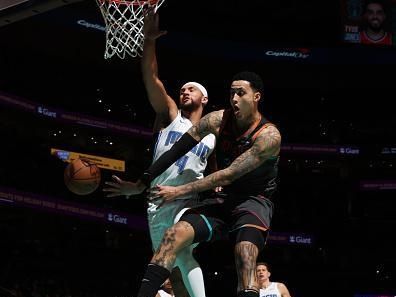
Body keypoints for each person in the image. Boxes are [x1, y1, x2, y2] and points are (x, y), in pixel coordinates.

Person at [106, 70, 281, 297]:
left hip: (253, 203)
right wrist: (142, 182)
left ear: (256, 97)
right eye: (231, 93)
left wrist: (178, 190)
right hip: (224, 200)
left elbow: (227, 175)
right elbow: (175, 151)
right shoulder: (217, 120)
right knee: (172, 235)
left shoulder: (269, 137)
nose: (234, 99)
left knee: (245, 255)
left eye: (241, 93)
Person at [103, 7, 216, 297]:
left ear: (204, 98)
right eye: (182, 89)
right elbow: (151, 79)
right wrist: (149, 40)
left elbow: (217, 171)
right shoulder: (170, 117)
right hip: (158, 205)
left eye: (191, 89)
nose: (184, 91)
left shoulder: (214, 132)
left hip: (189, 204)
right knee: (174, 274)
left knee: (182, 249)